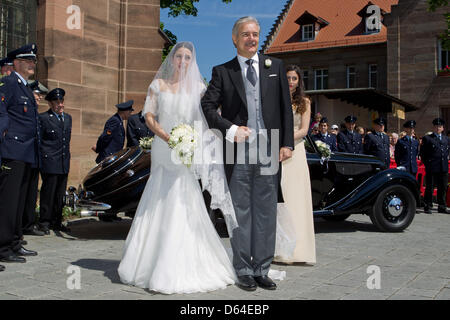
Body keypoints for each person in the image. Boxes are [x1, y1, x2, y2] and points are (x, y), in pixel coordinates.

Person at [118, 42, 238, 294]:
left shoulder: (198, 88)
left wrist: (195, 141)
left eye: (187, 58)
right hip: (164, 148)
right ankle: (146, 261)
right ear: (171, 59)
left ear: (192, 62)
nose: (183, 61)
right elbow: (149, 116)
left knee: (183, 198)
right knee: (157, 197)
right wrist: (165, 136)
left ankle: (182, 260)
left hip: (186, 149)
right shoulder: (157, 86)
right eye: (179, 57)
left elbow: (207, 116)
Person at [201, 16, 294, 291]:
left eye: (255, 34)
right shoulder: (223, 71)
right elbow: (206, 106)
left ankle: (261, 268)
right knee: (240, 210)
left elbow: (285, 108)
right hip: (238, 150)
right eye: (245, 34)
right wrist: (230, 129)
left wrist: (286, 142)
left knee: (265, 211)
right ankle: (243, 268)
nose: (251, 39)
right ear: (235, 38)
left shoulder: (275, 66)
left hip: (269, 148)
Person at [0, 43, 40, 265]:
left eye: (33, 60)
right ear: (16, 63)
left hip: (26, 152)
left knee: (20, 202)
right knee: (8, 202)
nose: (32, 64)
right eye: (28, 61)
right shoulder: (8, 83)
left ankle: (15, 242)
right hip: (12, 150)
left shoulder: (25, 87)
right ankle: (4, 247)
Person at [273, 64, 315, 264]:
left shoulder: (305, 102)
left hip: (296, 153)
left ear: (299, 81)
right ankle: (279, 249)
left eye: (294, 79)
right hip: (277, 153)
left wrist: (285, 141)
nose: (290, 82)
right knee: (282, 200)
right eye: (288, 78)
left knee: (296, 200)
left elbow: (305, 129)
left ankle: (299, 250)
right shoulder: (276, 99)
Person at [38, 88, 72, 233]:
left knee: (60, 195)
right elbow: (40, 141)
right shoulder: (44, 118)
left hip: (64, 162)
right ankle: (44, 222)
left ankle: (57, 222)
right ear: (51, 104)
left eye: (61, 101)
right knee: (48, 193)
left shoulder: (68, 118)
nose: (60, 105)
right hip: (50, 162)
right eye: (56, 102)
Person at [21, 81, 48, 237]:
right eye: (37, 94)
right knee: (22, 196)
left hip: (34, 160)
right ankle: (20, 227)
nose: (39, 97)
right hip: (26, 159)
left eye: (40, 95)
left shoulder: (35, 114)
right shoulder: (28, 112)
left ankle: (27, 226)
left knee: (31, 196)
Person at [420, 118, 449, 214]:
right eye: (436, 126)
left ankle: (442, 206)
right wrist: (428, 164)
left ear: (443, 128)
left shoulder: (446, 139)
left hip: (443, 167)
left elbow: (447, 151)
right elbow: (423, 153)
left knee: (443, 187)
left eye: (440, 126)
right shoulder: (428, 138)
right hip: (432, 167)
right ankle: (427, 205)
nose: (438, 128)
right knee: (430, 187)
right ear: (433, 127)